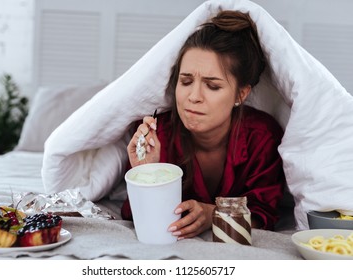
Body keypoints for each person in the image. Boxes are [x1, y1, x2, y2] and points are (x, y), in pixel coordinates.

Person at [121, 10, 285, 240]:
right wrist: (146, 171)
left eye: (212, 86)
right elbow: (131, 214)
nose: (193, 96)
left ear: (241, 94)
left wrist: (215, 215)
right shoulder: (158, 136)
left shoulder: (262, 137)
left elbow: (265, 215)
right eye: (186, 81)